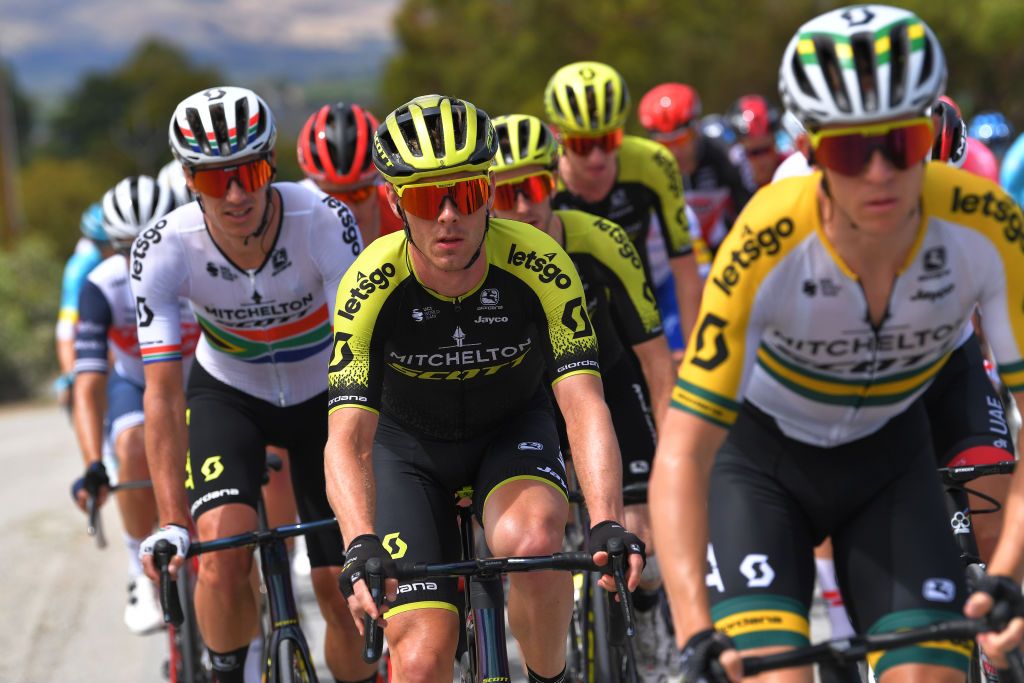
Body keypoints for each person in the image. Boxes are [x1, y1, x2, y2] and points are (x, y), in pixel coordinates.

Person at [650, 6, 1024, 682]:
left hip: (889, 463)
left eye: (902, 145)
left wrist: (1004, 577)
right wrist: (692, 627)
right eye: (852, 150)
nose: (879, 173)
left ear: (933, 134)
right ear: (812, 149)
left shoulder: (987, 223)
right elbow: (683, 447)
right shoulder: (767, 237)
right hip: (763, 469)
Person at [325, 94, 645, 683]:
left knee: (536, 542)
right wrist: (358, 543)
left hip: (511, 431)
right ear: (396, 203)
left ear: (490, 191)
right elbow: (347, 438)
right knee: (420, 659)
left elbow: (583, 402)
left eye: (465, 193)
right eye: (426, 197)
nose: (448, 216)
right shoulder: (368, 284)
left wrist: (605, 521)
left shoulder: (539, 262)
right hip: (408, 449)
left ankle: (551, 677)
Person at [133, 86, 372, 683]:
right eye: (216, 181)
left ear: (272, 165)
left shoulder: (321, 218)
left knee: (338, 588)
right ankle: (223, 672)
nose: (237, 193)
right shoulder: (163, 246)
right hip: (229, 394)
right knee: (221, 555)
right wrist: (170, 520)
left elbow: (362, 354)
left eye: (251, 172)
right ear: (189, 178)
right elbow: (161, 394)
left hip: (325, 394)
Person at [490, 112, 676, 678]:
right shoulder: (480, 259)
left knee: (639, 526)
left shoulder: (603, 240)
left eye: (537, 187)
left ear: (556, 183)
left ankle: (647, 611)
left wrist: (673, 452)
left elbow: (654, 358)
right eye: (507, 193)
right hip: (531, 397)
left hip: (611, 382)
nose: (525, 205)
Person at [70, 174, 198, 635]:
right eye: (127, 249)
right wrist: (92, 463)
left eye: (152, 241)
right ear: (110, 246)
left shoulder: (198, 266)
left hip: (199, 382)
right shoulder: (100, 286)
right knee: (129, 445)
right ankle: (136, 567)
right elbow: (87, 384)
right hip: (136, 383)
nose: (140, 258)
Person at [545, 62, 704, 354]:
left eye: (608, 141)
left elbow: (684, 267)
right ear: (559, 137)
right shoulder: (543, 179)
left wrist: (695, 356)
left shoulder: (654, 163)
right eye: (581, 145)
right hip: (572, 319)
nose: (596, 158)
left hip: (638, 308)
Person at [638, 82, 752, 256]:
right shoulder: (646, 170)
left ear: (696, 127)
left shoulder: (721, 155)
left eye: (682, 140)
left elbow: (747, 207)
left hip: (725, 251)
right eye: (665, 143)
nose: (675, 152)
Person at [296, 101, 402, 244]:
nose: (347, 210)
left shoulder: (405, 216)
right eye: (333, 199)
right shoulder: (293, 219)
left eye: (359, 194)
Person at [55, 203, 114, 411]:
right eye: (106, 245)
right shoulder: (80, 267)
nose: (113, 251)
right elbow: (66, 324)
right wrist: (69, 371)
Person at [727, 94, 788, 189]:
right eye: (754, 153)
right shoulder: (727, 178)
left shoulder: (792, 170)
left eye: (767, 150)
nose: (762, 160)